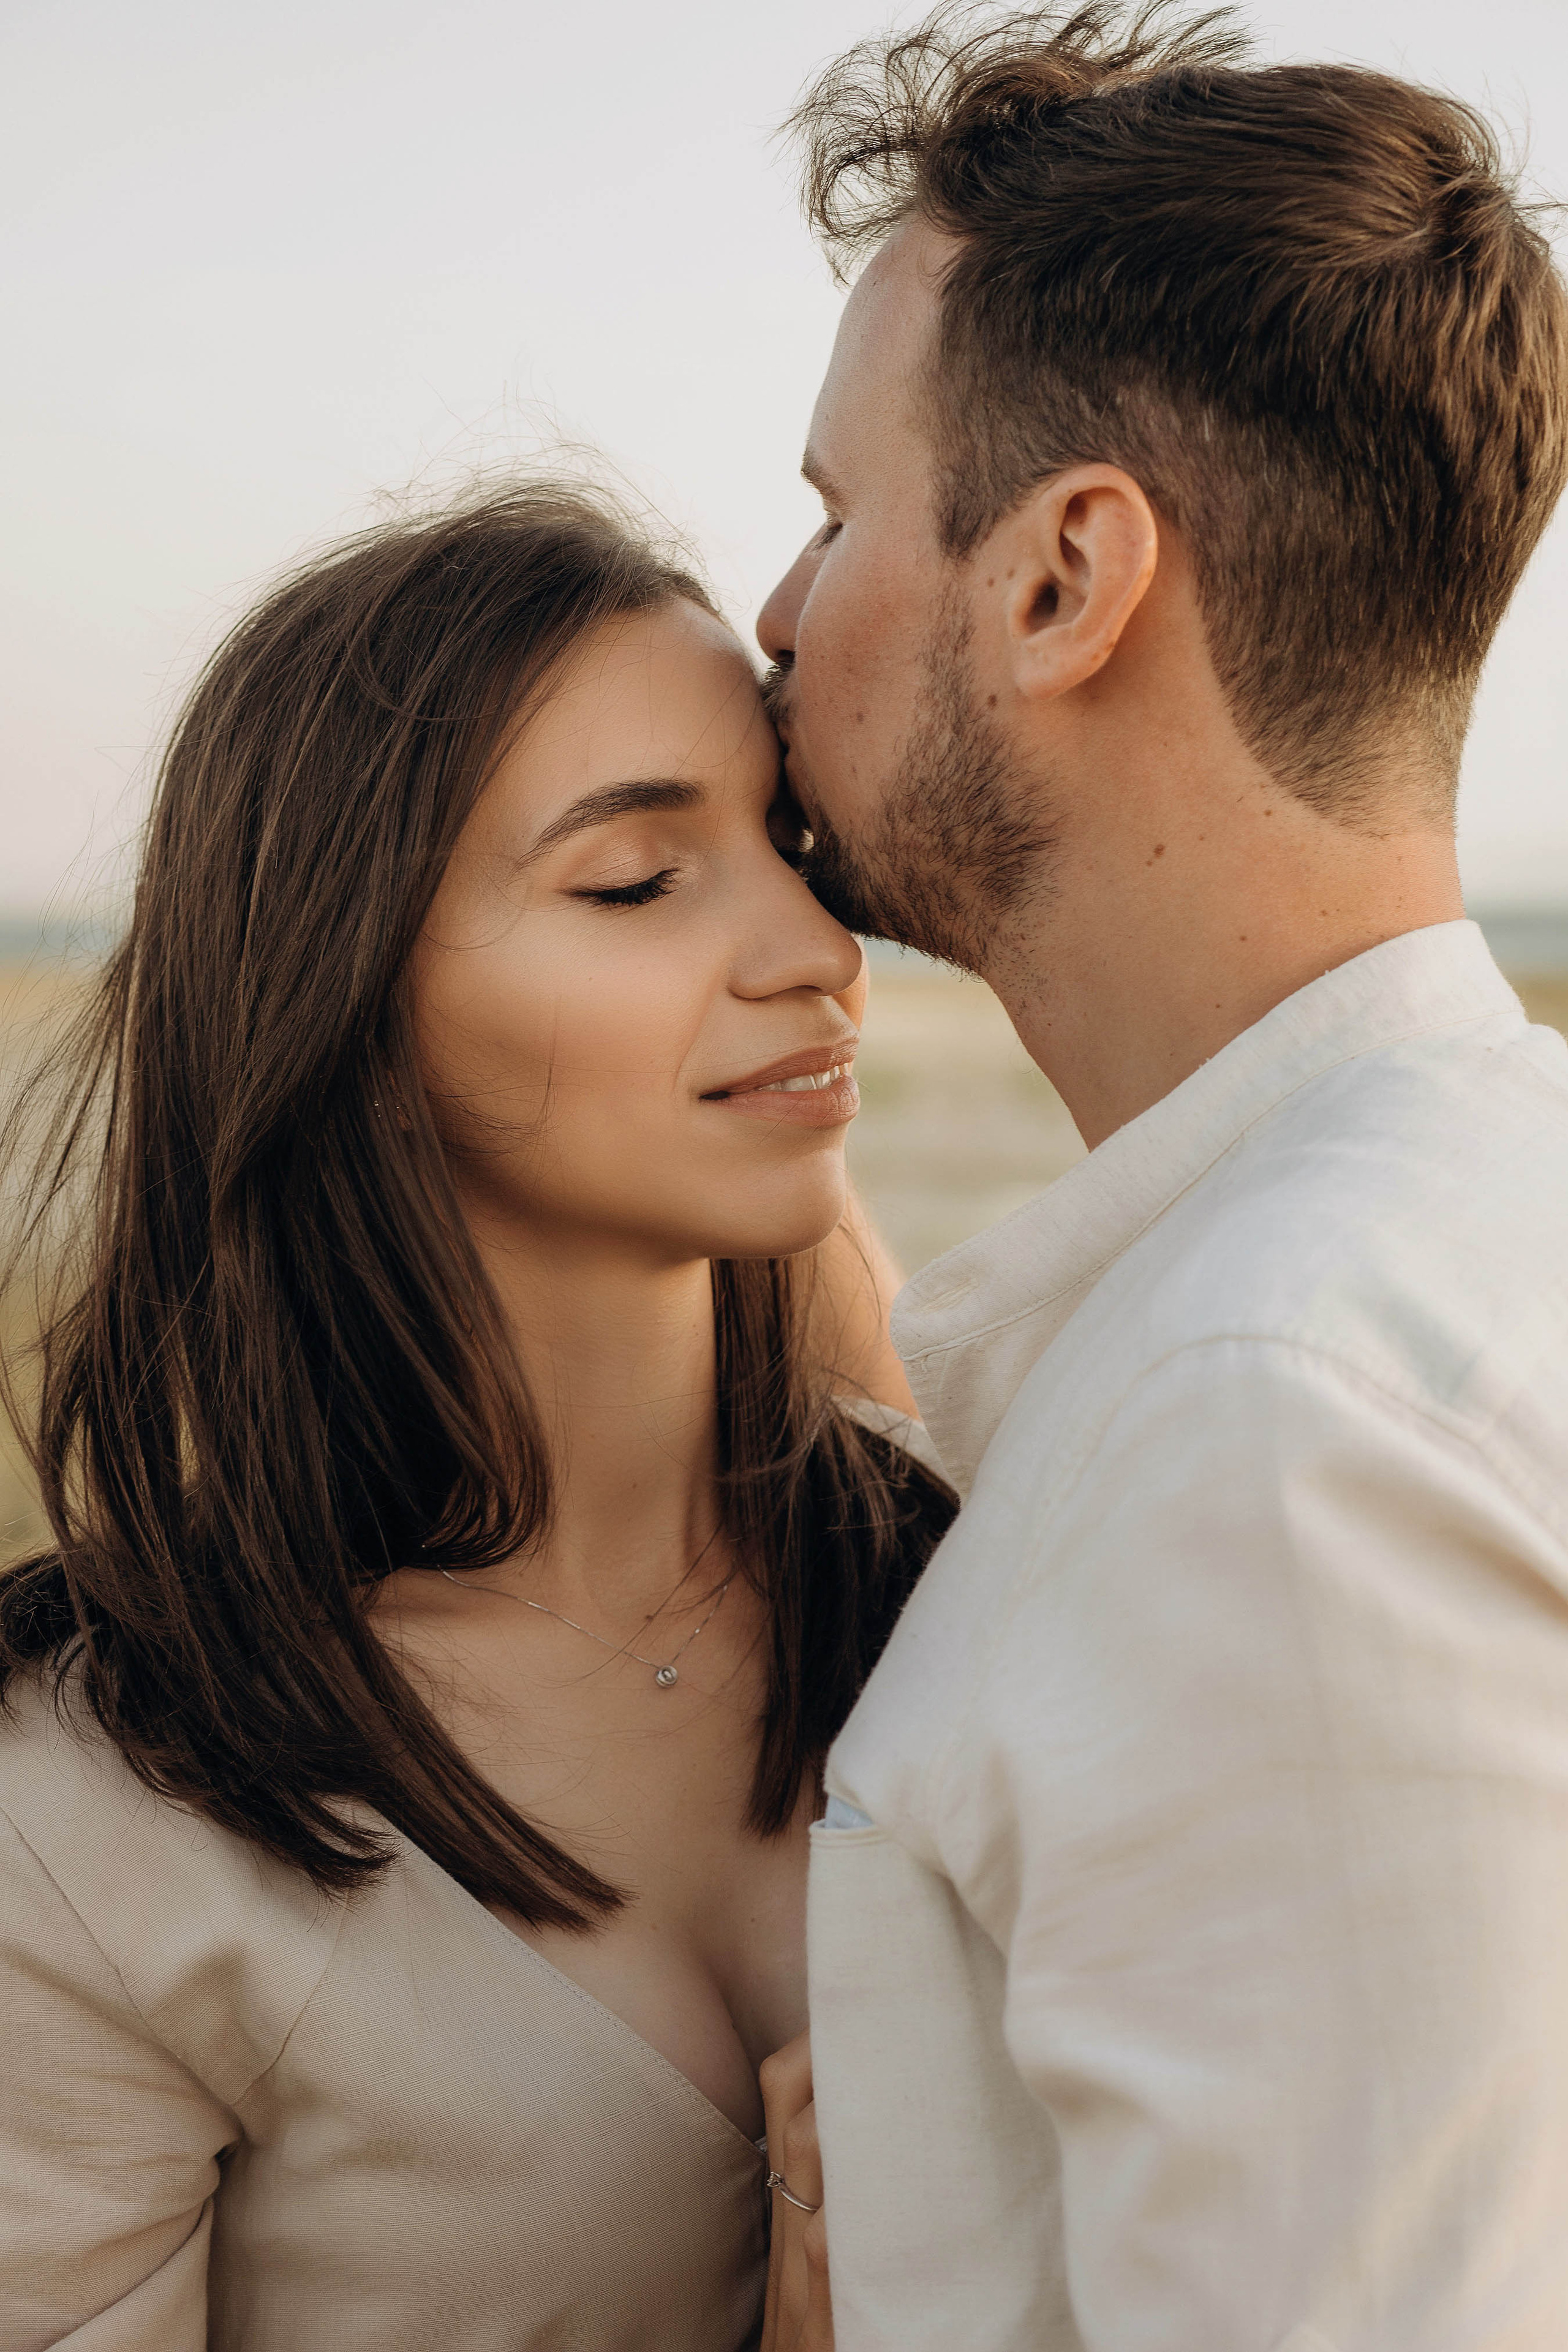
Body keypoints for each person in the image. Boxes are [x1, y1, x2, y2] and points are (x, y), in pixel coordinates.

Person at [758, 4, 1568, 2346]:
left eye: (837, 511)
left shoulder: (1277, 1437)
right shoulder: (1437, 1253)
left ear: (1060, 579)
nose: (784, 614)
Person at [0, 481, 951, 2350]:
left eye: (794, 845)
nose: (818, 952)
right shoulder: (101, 1815)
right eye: (633, 881)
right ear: (342, 996)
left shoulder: (975, 1574)